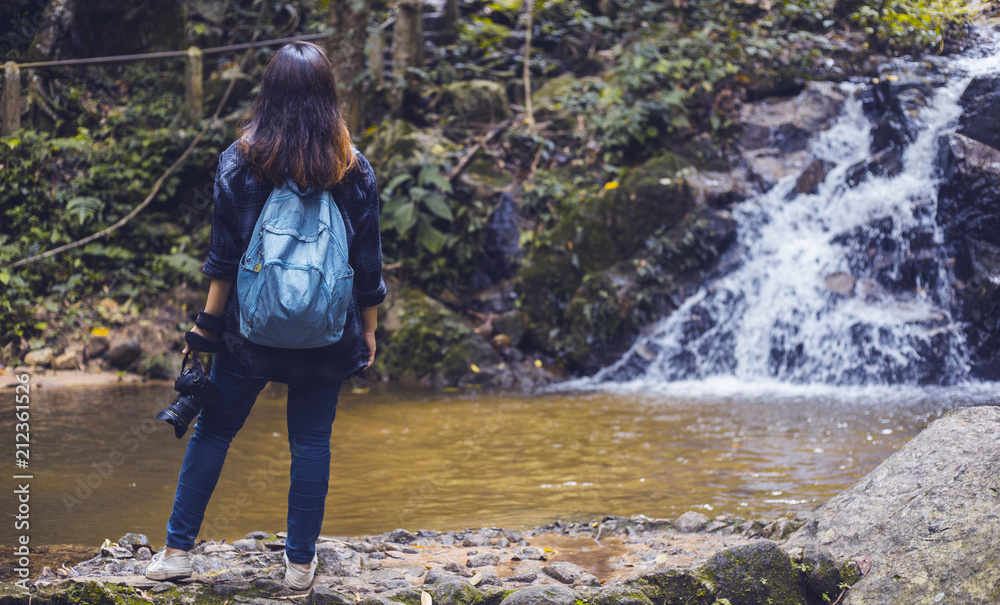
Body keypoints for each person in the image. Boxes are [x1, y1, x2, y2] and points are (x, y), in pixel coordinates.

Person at [145, 41, 385, 591]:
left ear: (268, 94)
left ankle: (178, 553)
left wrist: (205, 330)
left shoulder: (240, 162)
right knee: (310, 441)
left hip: (247, 337)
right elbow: (367, 263)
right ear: (329, 96)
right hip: (327, 337)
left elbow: (224, 260)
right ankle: (299, 567)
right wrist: (368, 329)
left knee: (212, 433)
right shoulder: (353, 167)